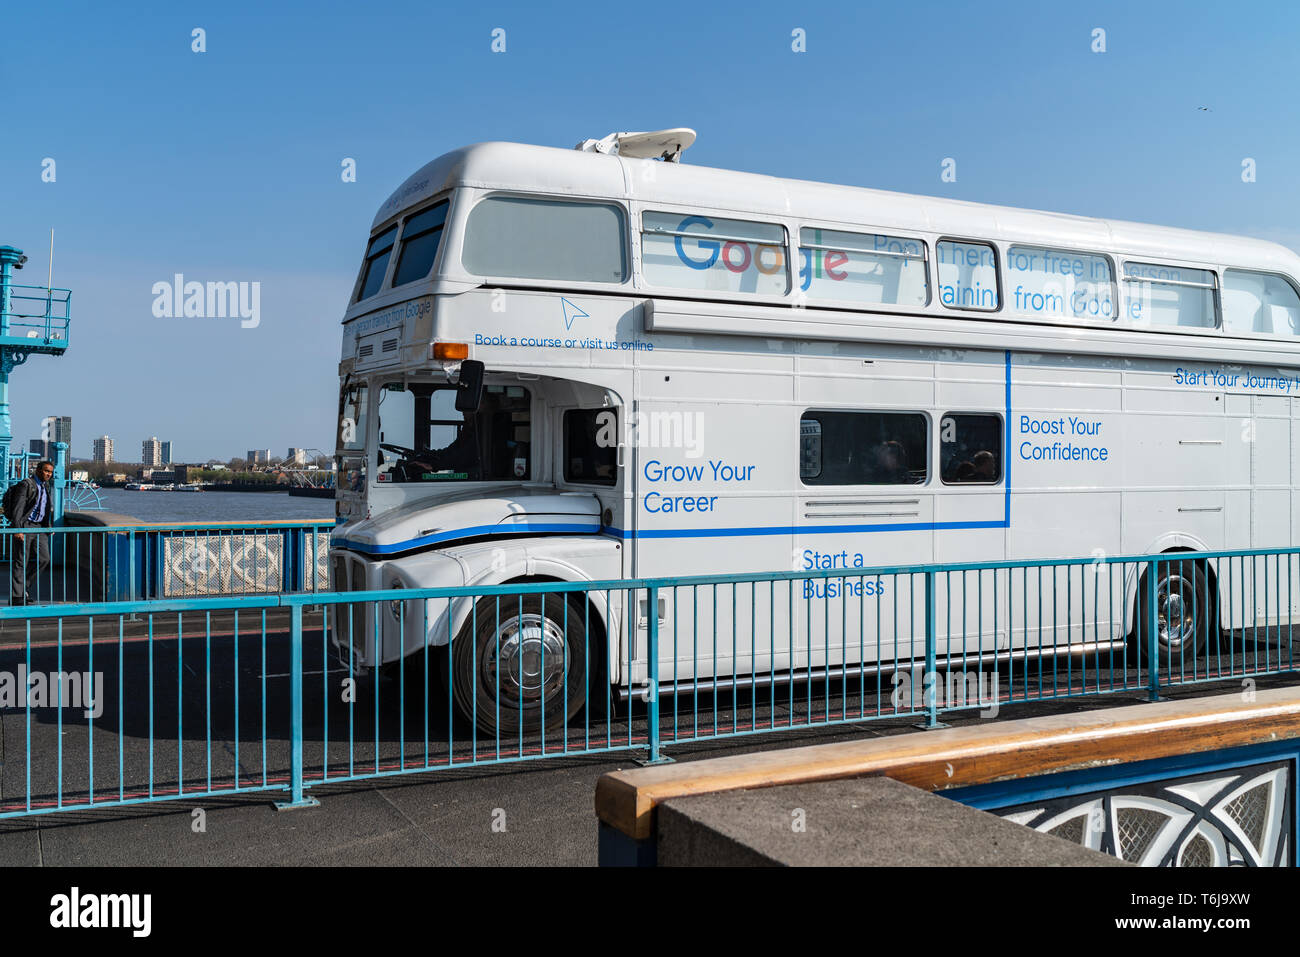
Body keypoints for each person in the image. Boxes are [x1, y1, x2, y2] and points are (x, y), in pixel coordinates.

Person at [7, 460, 55, 606]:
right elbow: (18, 508)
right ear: (39, 470)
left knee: (44, 559)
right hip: (25, 526)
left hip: (40, 528)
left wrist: (48, 526)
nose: (48, 474)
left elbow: (45, 507)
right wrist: (18, 529)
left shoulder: (45, 486)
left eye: (51, 472)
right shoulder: (26, 484)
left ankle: (24, 587)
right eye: (46, 471)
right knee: (21, 561)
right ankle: (17, 596)